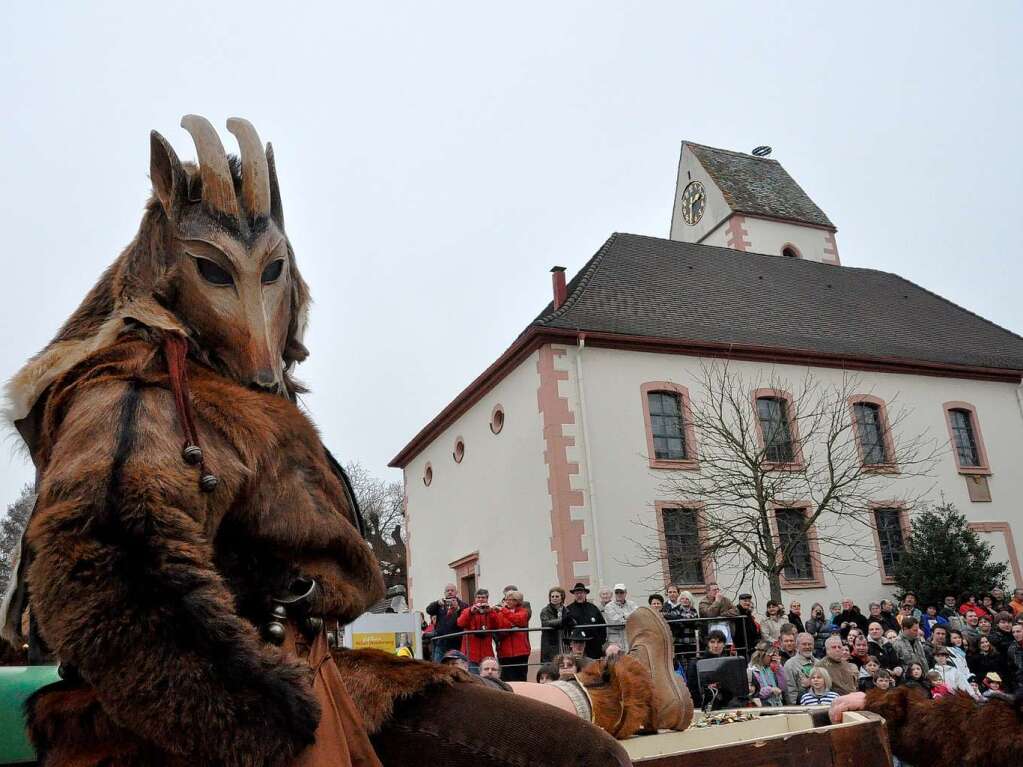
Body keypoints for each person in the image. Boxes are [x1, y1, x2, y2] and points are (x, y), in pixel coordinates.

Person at [457, 588, 510, 672]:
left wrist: (491, 612)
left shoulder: (491, 611)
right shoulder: (467, 610)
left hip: (486, 653)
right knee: (473, 679)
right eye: (478, 597)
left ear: (487, 599)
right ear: (475, 599)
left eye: (483, 597)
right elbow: (460, 623)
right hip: (471, 653)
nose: (481, 600)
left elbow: (500, 625)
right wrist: (470, 612)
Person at [686, 629, 734, 710]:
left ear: (724, 644)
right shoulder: (696, 663)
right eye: (712, 642)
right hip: (703, 705)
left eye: (719, 642)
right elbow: (692, 690)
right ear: (708, 644)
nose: (715, 646)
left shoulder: (729, 662)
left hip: (726, 705)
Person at [425, 584, 469, 663]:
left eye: (452, 590)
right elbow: (428, 610)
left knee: (456, 666)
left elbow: (466, 618)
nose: (450, 592)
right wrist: (437, 603)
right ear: (444, 593)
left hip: (457, 642)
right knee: (438, 667)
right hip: (441, 642)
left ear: (456, 592)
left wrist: (458, 608)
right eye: (448, 591)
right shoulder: (440, 604)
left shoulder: (463, 605)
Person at [494, 590, 531, 682]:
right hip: (505, 651)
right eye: (506, 599)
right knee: (507, 678)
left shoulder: (523, 611)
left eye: (511, 600)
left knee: (521, 677)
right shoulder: (500, 613)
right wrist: (511, 625)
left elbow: (519, 620)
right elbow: (501, 626)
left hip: (521, 651)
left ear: (517, 601)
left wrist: (505, 611)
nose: (507, 601)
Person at [565, 583, 607, 660]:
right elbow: (565, 628)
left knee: (594, 667)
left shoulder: (593, 608)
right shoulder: (568, 609)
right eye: (577, 593)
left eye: (581, 593)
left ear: (585, 594)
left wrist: (601, 641)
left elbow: (602, 625)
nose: (579, 595)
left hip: (594, 645)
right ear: (574, 594)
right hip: (577, 645)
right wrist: (569, 643)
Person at [540, 587, 574, 662]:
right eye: (552, 596)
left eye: (557, 596)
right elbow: (546, 623)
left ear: (562, 597)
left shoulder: (566, 610)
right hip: (551, 642)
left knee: (565, 662)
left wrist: (572, 622)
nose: (554, 598)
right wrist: (562, 621)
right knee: (553, 665)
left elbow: (571, 621)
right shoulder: (545, 610)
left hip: (564, 640)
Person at [783, 632, 817, 704]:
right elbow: (790, 690)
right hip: (801, 706)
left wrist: (811, 682)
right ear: (797, 646)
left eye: (810, 644)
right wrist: (795, 707)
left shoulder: (819, 663)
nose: (807, 647)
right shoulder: (790, 665)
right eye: (804, 644)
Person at [749, 642, 785, 707]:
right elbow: (755, 693)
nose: (773, 658)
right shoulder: (752, 671)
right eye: (771, 655)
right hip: (762, 706)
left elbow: (783, 687)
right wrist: (771, 690)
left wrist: (779, 669)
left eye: (775, 655)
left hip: (777, 704)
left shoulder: (773, 667)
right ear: (762, 655)